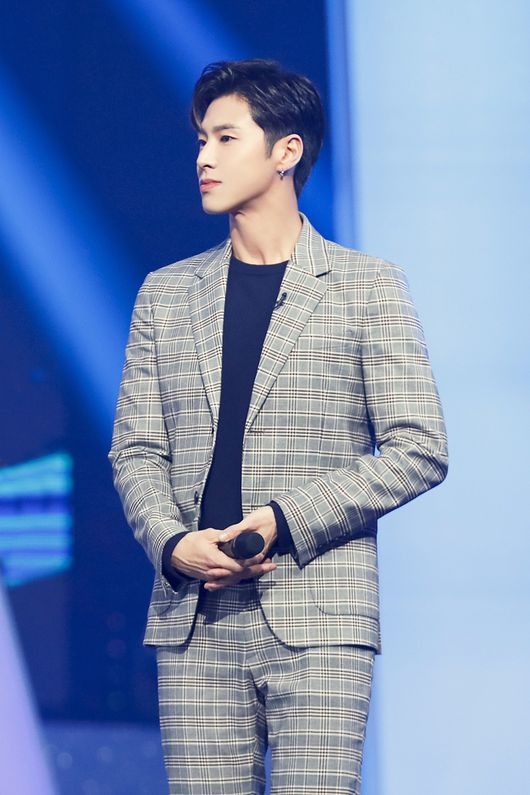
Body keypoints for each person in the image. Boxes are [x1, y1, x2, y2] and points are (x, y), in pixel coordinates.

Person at [108, 59, 448, 795]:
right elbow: (136, 449)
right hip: (194, 616)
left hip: (318, 611)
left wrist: (286, 520)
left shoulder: (366, 286)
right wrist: (172, 544)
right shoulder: (166, 295)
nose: (203, 157)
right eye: (201, 140)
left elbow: (419, 447)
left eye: (225, 138)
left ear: (286, 150)